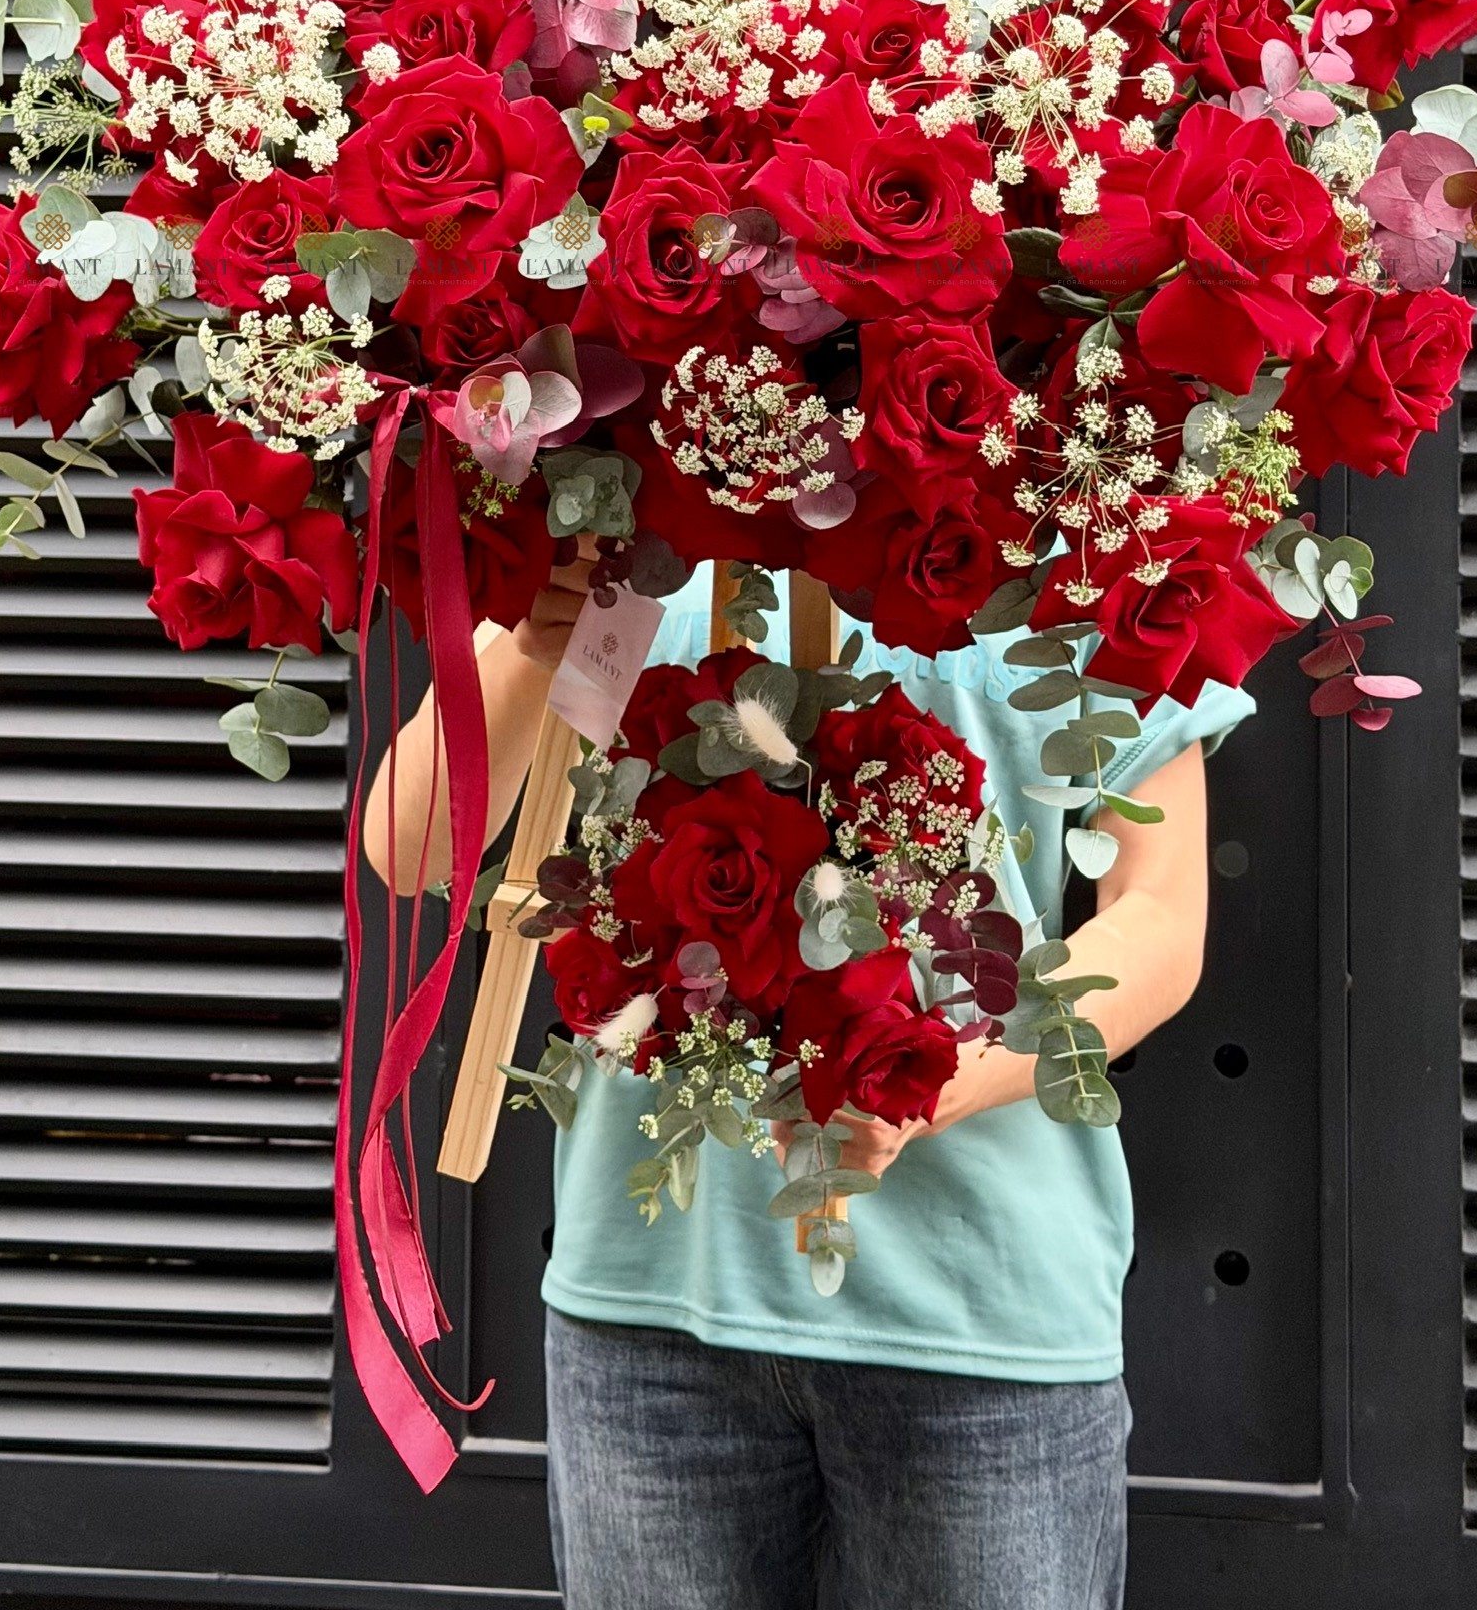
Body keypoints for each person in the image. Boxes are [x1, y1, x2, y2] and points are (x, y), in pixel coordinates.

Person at [366, 544, 1253, 1610]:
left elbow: (1160, 918)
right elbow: (411, 846)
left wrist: (942, 1081)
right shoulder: (628, 522)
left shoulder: (1074, 531)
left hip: (979, 1315)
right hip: (654, 1311)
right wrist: (526, 644)